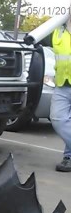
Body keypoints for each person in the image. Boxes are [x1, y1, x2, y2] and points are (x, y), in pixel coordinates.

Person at [38, 14, 71, 172]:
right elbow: (37, 38)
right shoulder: (57, 31)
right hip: (62, 83)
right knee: (58, 119)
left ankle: (69, 158)